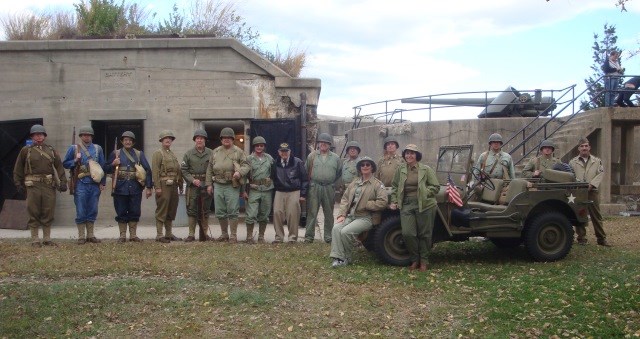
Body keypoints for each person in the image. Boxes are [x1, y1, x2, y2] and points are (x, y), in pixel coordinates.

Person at [13, 124, 67, 247]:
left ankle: (47, 238)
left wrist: (63, 182)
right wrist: (18, 183)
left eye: (41, 134)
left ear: (44, 136)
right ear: (32, 136)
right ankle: (35, 239)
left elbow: (59, 167)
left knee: (48, 211)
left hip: (48, 185)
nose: (39, 137)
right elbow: (18, 168)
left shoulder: (51, 150)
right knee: (33, 211)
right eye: (36, 134)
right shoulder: (26, 150)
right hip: (33, 186)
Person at [329, 156, 387, 268]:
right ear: (359, 168)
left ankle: (346, 258)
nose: (365, 166)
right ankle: (338, 257)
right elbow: (345, 198)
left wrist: (368, 204)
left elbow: (383, 202)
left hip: (366, 217)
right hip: (351, 215)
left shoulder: (377, 184)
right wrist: (342, 214)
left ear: (372, 167)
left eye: (367, 164)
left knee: (346, 232)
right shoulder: (355, 182)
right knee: (336, 228)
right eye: (362, 165)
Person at [390, 144, 440, 271]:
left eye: (412, 153)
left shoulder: (425, 169)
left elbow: (435, 186)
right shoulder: (400, 169)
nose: (409, 155)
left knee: (425, 234)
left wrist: (424, 192)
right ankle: (414, 259)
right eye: (407, 153)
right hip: (406, 204)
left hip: (424, 204)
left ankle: (424, 260)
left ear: (417, 155)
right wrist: (394, 201)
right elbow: (395, 187)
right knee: (408, 233)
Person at [104, 131, 152, 243]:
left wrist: (149, 186)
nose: (128, 142)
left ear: (133, 142)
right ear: (122, 141)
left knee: (135, 211)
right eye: (125, 140)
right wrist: (113, 164)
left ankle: (133, 235)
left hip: (135, 187)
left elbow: (148, 170)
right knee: (121, 211)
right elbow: (105, 169)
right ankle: (122, 235)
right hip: (120, 187)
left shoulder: (139, 154)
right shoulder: (115, 153)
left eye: (130, 140)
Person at [63, 125, 106, 244]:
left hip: (94, 183)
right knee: (81, 209)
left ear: (91, 136)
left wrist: (102, 182)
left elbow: (102, 166)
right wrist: (75, 161)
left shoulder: (98, 149)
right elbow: (65, 164)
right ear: (81, 136)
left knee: (92, 209)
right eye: (84, 135)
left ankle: (90, 235)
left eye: (88, 135)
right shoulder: (74, 148)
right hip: (80, 183)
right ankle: (81, 236)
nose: (86, 137)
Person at [206, 127, 250, 243]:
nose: (226, 140)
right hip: (218, 184)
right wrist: (209, 184)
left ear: (233, 139)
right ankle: (224, 234)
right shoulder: (215, 152)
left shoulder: (239, 152)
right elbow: (209, 169)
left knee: (232, 210)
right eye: (224, 138)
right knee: (220, 210)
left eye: (229, 138)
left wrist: (239, 173)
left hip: (232, 184)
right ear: (221, 139)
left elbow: (246, 165)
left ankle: (233, 235)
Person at [569, 138, 611, 247]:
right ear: (578, 148)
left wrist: (591, 184)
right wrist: (579, 184)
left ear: (589, 147)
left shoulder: (597, 161)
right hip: (579, 191)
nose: (584, 148)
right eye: (582, 146)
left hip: (592, 191)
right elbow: (570, 175)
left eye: (586, 146)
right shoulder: (573, 162)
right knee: (580, 214)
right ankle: (581, 238)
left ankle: (601, 238)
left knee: (596, 215)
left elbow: (600, 174)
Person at [304, 132, 342, 243]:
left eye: (326, 143)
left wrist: (331, 182)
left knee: (329, 213)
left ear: (330, 145)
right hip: (314, 186)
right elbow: (306, 170)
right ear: (318, 144)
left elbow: (339, 173)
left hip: (329, 187)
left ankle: (329, 237)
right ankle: (309, 237)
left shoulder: (335, 158)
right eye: (321, 142)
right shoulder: (312, 156)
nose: (323, 144)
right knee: (312, 212)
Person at [181, 129, 213, 242]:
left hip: (206, 185)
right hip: (193, 186)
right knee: (192, 209)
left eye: (202, 138)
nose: (199, 140)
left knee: (205, 209)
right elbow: (184, 170)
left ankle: (204, 233)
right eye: (197, 138)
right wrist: (192, 180)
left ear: (205, 140)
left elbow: (214, 168)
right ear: (195, 140)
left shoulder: (211, 153)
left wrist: (209, 184)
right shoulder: (188, 154)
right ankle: (191, 234)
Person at [272, 142, 308, 243]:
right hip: (279, 191)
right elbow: (273, 178)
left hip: (294, 191)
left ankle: (292, 238)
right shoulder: (275, 163)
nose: (284, 153)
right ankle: (278, 237)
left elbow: (304, 179)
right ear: (279, 152)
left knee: (293, 215)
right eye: (282, 151)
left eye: (286, 151)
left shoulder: (298, 162)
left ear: (290, 152)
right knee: (277, 213)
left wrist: (303, 194)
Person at [152, 130, 183, 243]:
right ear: (161, 140)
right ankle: (159, 235)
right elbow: (155, 171)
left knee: (171, 209)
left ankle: (168, 234)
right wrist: (157, 187)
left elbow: (178, 171)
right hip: (164, 185)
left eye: (170, 138)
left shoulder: (172, 154)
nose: (168, 140)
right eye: (166, 138)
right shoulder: (158, 153)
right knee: (162, 209)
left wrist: (180, 184)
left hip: (173, 185)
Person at [244, 136, 275, 244]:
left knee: (264, 214)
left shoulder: (269, 158)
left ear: (264, 147)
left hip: (267, 189)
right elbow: (245, 175)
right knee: (251, 214)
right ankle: (249, 236)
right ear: (254, 147)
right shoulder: (249, 159)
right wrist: (246, 188)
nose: (259, 147)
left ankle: (261, 236)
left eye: (261, 146)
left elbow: (274, 172)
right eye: (257, 146)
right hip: (254, 189)